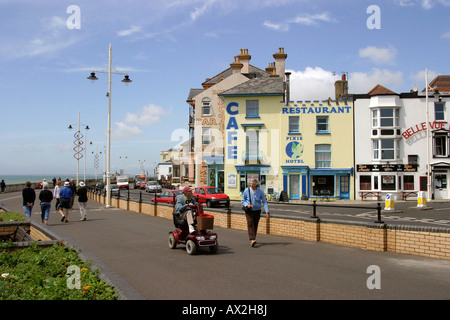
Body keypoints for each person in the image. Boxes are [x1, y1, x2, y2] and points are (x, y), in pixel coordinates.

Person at [241, 179, 270, 247]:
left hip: (257, 210)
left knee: (255, 224)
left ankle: (253, 238)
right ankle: (252, 239)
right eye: (250, 184)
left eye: (253, 184)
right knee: (250, 223)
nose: (251, 185)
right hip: (249, 210)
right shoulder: (246, 190)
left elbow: (264, 202)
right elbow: (243, 200)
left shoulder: (260, 191)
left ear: (256, 184)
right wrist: (247, 205)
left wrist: (267, 211)